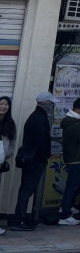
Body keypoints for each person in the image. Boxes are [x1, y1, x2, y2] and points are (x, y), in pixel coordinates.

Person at [10, 92, 54, 230]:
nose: (52, 105)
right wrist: (45, 156)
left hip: (31, 159)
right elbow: (41, 141)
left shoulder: (36, 116)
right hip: (35, 160)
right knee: (27, 189)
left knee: (26, 188)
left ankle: (20, 217)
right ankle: (20, 219)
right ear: (44, 103)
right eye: (51, 102)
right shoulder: (40, 118)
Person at [58, 97, 80, 225]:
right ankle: (65, 214)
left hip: (75, 158)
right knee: (72, 186)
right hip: (75, 159)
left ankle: (67, 206)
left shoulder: (72, 121)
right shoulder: (75, 124)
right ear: (77, 109)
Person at [0, 96, 16, 234]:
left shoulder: (10, 123)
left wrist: (5, 156)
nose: (3, 106)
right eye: (1, 104)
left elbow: (12, 143)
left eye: (6, 104)